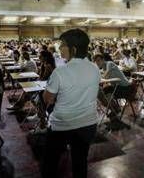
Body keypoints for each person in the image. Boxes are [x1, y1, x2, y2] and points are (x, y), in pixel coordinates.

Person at [41, 29, 100, 178]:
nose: (59, 48)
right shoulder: (95, 68)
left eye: (62, 45)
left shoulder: (60, 72)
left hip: (62, 125)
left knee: (50, 163)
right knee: (80, 162)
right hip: (88, 123)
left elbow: (48, 99)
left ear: (73, 49)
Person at [94, 53, 131, 119]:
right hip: (117, 86)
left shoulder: (109, 63)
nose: (97, 63)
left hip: (125, 88)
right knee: (101, 92)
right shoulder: (103, 68)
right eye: (96, 61)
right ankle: (114, 108)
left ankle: (115, 109)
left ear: (103, 60)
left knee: (103, 92)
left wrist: (100, 77)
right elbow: (101, 75)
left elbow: (106, 75)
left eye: (98, 60)